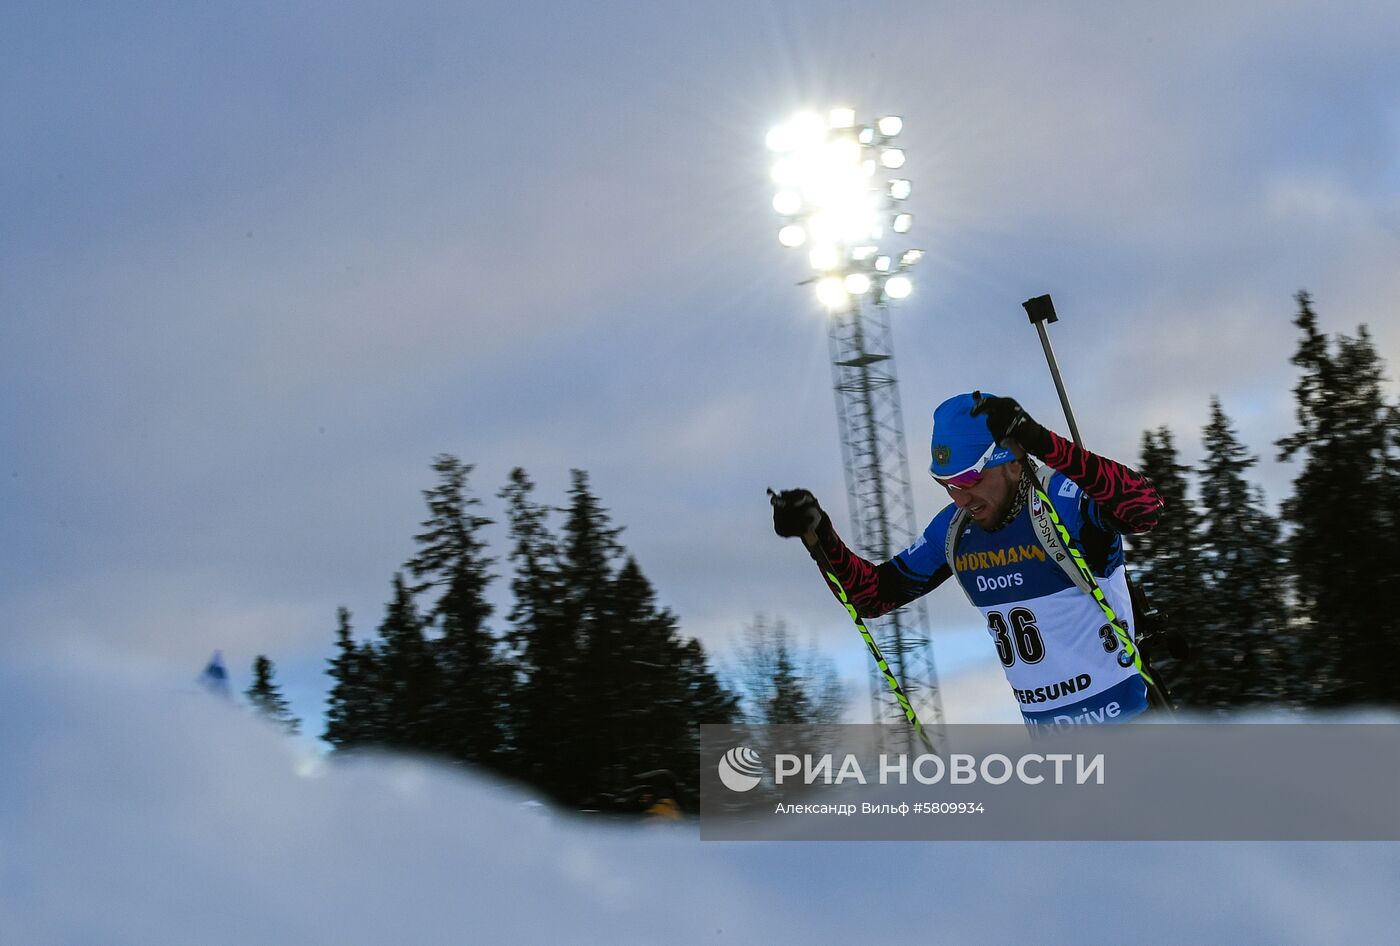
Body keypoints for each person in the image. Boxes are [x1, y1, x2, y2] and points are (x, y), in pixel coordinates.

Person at [772, 392, 1165, 729]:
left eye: (970, 479)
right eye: (947, 484)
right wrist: (818, 534)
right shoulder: (955, 531)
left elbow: (1145, 509)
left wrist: (1042, 441)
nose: (960, 497)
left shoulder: (1062, 500)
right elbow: (872, 597)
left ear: (1013, 460)